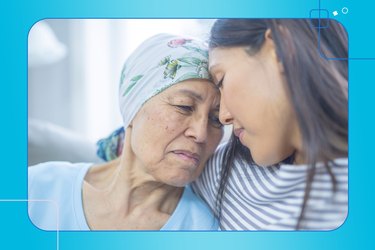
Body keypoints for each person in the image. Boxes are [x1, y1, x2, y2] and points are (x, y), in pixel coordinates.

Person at [97, 18, 348, 230]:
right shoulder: (219, 169)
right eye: (184, 106)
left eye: (222, 79)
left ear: (281, 51)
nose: (225, 118)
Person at [28, 33, 223, 230]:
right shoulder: (36, 187)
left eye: (216, 119)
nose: (201, 134)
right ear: (133, 108)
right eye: (184, 106)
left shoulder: (203, 229)